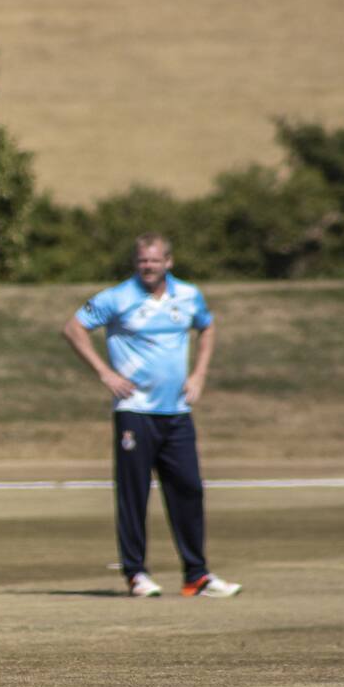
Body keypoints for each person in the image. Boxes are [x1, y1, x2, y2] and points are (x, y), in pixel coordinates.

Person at [61, 233, 241, 598]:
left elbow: (206, 327)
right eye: (143, 260)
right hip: (135, 412)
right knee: (134, 494)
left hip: (176, 412)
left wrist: (199, 374)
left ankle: (197, 575)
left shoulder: (188, 295)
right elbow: (73, 327)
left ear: (168, 262)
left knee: (189, 489)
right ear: (136, 262)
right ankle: (136, 573)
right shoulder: (117, 297)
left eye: (155, 260)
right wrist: (104, 373)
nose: (148, 266)